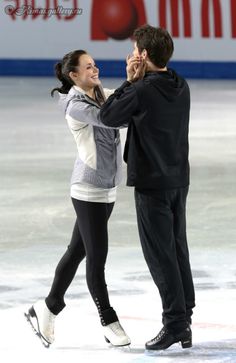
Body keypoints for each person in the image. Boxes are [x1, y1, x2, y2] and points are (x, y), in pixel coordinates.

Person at [24, 50, 130, 348]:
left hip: (106, 188)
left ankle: (47, 307)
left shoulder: (98, 92)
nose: (94, 69)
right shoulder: (76, 105)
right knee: (97, 259)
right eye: (88, 67)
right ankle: (109, 321)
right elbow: (112, 118)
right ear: (73, 75)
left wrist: (132, 81)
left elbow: (121, 101)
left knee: (76, 251)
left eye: (95, 64)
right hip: (88, 190)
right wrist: (129, 87)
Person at [99, 25, 195, 350]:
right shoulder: (180, 85)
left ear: (141, 55)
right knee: (178, 249)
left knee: (160, 254)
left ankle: (175, 323)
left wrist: (129, 80)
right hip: (178, 179)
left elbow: (109, 115)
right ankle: (185, 318)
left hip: (152, 184)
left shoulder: (141, 91)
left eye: (134, 49)